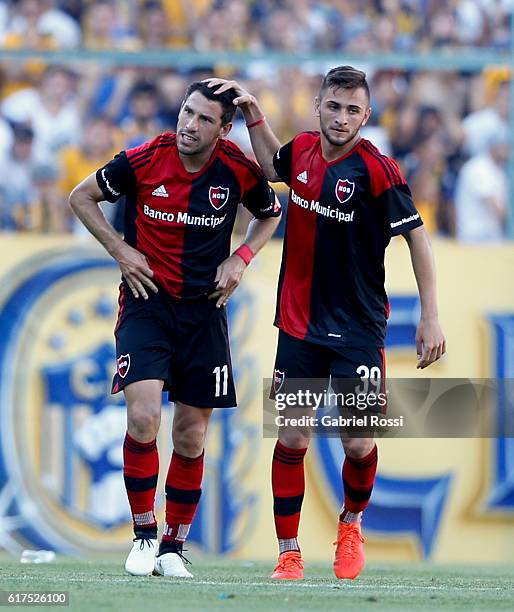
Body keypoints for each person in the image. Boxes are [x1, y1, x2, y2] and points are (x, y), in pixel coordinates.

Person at [207, 66, 445, 580]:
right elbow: (273, 164)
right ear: (318, 106)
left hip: (358, 328)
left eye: (352, 110)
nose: (341, 117)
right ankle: (288, 553)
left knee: (358, 442)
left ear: (366, 115)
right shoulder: (305, 150)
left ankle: (351, 524)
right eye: (333, 106)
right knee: (292, 437)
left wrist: (430, 314)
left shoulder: (378, 170)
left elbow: (418, 239)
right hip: (298, 325)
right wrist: (253, 111)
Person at [69, 81, 281, 578]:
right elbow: (81, 197)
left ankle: (172, 547)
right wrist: (121, 251)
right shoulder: (144, 159)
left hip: (204, 312)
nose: (189, 125)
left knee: (190, 433)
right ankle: (144, 536)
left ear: (223, 129)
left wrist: (241, 257)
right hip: (146, 305)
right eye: (187, 112)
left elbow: (272, 213)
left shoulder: (236, 168)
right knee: (143, 416)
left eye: (204, 119)